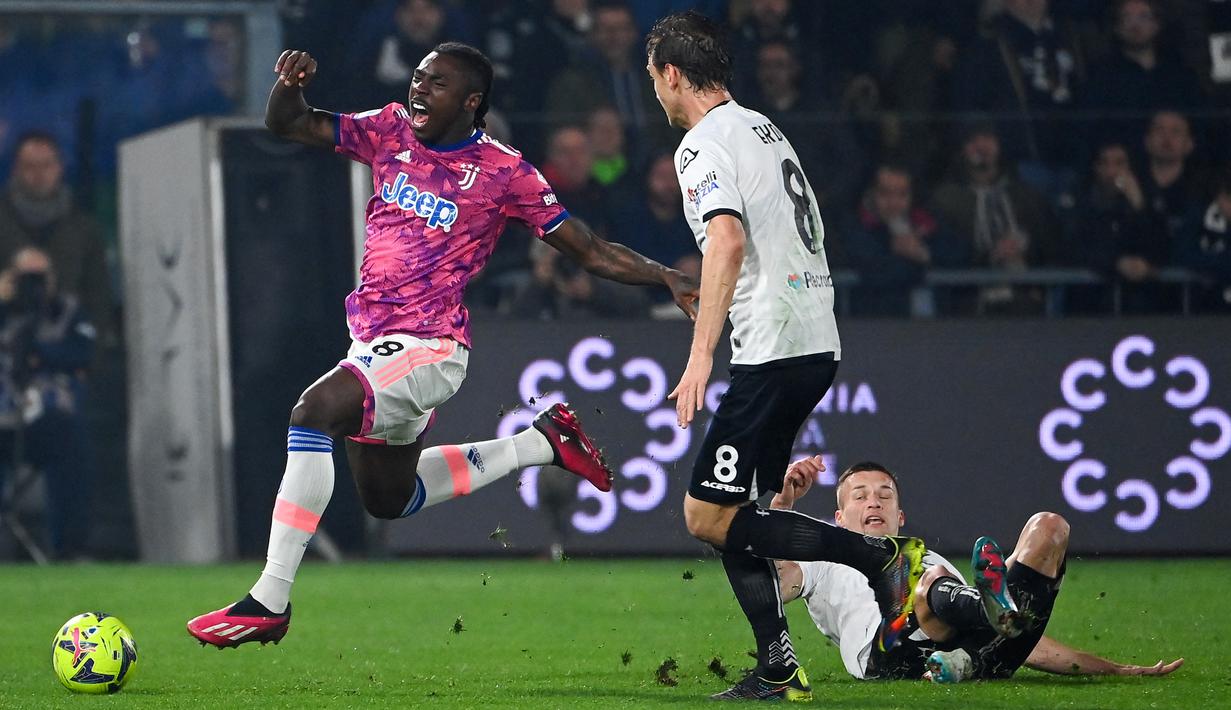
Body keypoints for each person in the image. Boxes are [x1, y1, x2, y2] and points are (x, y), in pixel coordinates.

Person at [187, 42, 698, 648]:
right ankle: (539, 444)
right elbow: (289, 123)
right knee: (389, 498)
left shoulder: (505, 172)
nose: (418, 90)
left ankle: (269, 599)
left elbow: (587, 248)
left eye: (436, 83)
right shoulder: (388, 130)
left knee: (311, 414)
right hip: (373, 343)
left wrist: (663, 275)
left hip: (430, 345)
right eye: (419, 78)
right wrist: (289, 85)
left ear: (471, 101)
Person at [645, 12, 926, 701]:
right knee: (749, 512)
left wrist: (699, 355)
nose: (655, 93)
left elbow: (728, 242)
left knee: (704, 516)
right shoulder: (762, 127)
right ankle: (776, 667)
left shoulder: (699, 146)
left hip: (769, 348)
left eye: (653, 79)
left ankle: (876, 555)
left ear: (672, 75)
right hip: (813, 339)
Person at [773, 457, 1185, 683]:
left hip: (981, 653)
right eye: (860, 497)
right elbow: (777, 580)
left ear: (901, 515)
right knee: (931, 581)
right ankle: (980, 611)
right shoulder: (824, 560)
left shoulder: (933, 560)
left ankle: (969, 653)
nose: (874, 503)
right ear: (840, 517)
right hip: (887, 659)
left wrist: (1116, 670)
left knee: (1049, 527)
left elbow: (1029, 641)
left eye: (885, 495)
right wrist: (784, 504)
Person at [0, 246, 97, 559]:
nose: (33, 287)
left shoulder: (67, 311)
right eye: (25, 278)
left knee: (72, 441)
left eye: (39, 278)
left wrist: (38, 352)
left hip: (43, 420)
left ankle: (69, 548)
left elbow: (83, 354)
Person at [0, 132, 116, 347]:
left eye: (46, 165)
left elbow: (99, 300)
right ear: (15, 169)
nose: (39, 173)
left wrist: (88, 363)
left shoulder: (84, 230)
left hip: (64, 360)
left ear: (59, 167)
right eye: (30, 166)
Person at [843, 163, 967, 316]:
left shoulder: (926, 219)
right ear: (872, 193)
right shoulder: (856, 225)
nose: (893, 203)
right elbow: (874, 268)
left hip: (937, 330)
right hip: (875, 325)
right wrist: (912, 259)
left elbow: (962, 253)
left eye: (902, 194)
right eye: (885, 193)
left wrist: (925, 253)